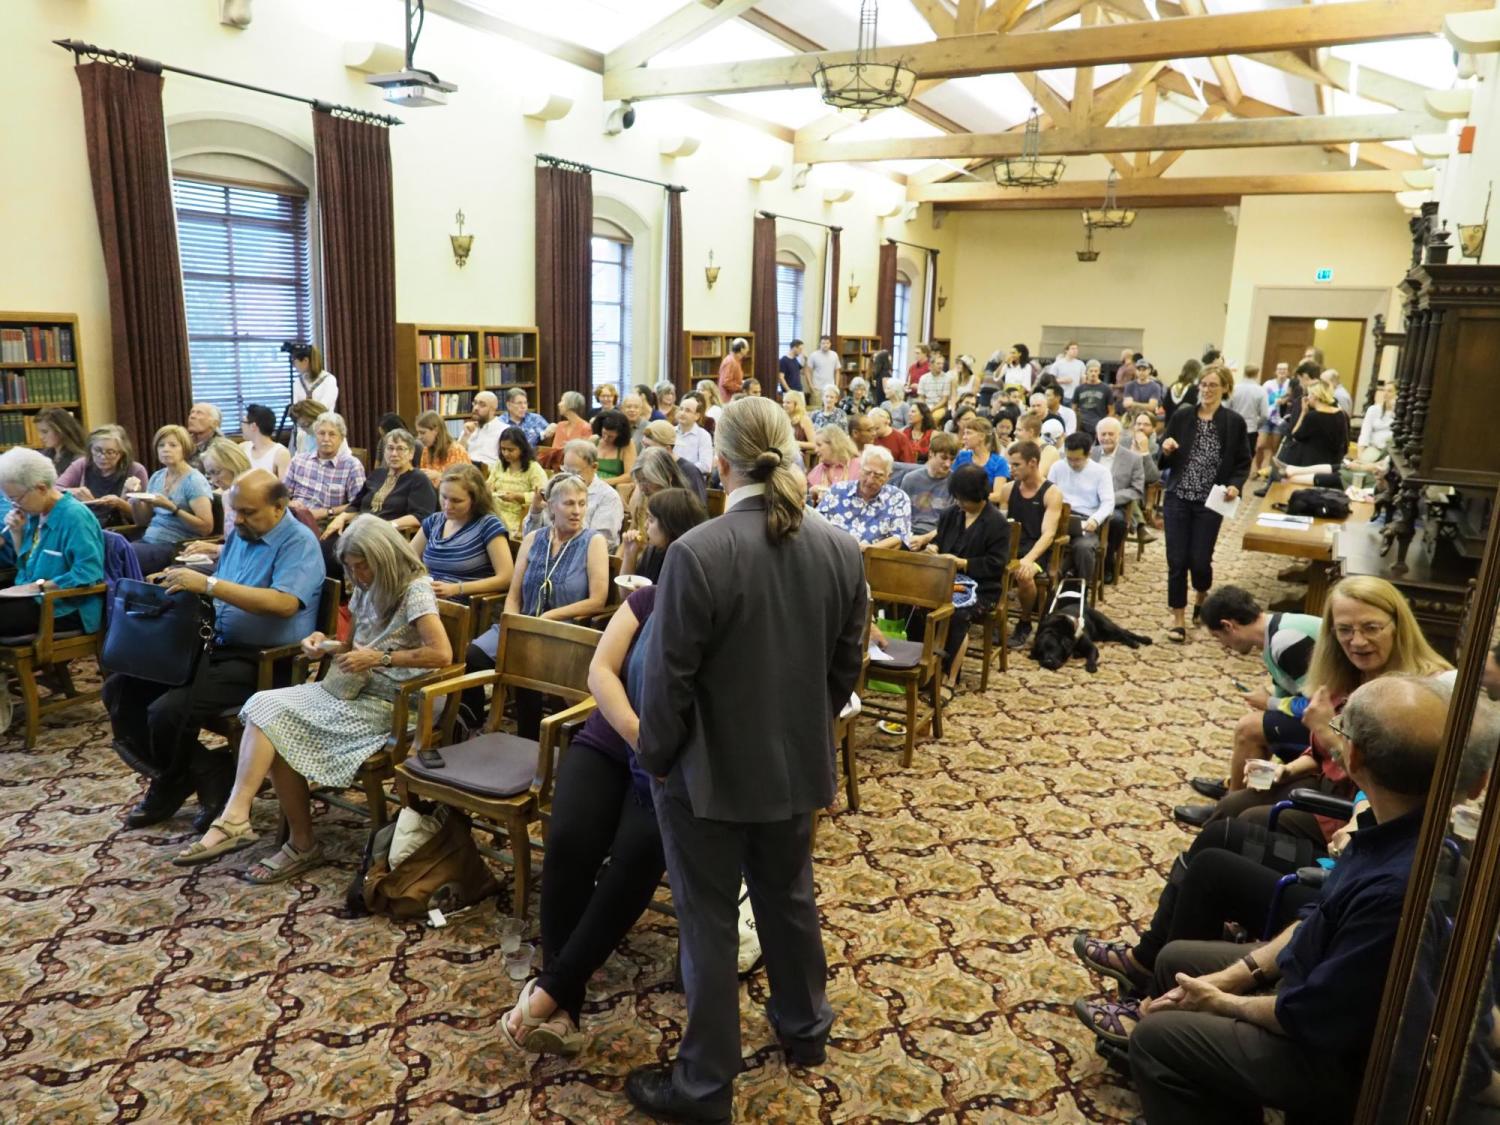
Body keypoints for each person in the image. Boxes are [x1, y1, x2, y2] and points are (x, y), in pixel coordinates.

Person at [626, 396, 866, 1122]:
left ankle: (703, 1086)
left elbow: (668, 681)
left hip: (705, 774)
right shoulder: (838, 545)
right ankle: (805, 1028)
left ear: (720, 463)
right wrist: (801, 725)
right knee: (788, 900)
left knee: (706, 921)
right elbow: (846, 666)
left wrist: (657, 759)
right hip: (796, 765)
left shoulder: (697, 551)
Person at [1126, 676, 1483, 1125]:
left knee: (1159, 1037)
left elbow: (1313, 1016)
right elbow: (1318, 916)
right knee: (1176, 959)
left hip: (1348, 1066)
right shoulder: (1395, 825)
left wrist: (1225, 1003)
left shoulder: (1397, 888)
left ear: (1352, 758)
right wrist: (1239, 975)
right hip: (1322, 998)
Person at [504, 487, 710, 1056]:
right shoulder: (645, 602)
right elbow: (601, 671)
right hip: (613, 741)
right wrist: (639, 734)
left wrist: (659, 750)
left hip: (671, 766)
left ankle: (552, 993)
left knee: (633, 860)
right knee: (569, 841)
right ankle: (563, 998)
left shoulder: (719, 617)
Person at [176, 516, 450, 878]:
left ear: (383, 558)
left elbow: (441, 654)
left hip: (394, 703)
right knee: (264, 708)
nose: (357, 576)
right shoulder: (367, 587)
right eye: (350, 568)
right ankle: (239, 816)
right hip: (353, 687)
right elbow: (355, 646)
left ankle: (293, 841)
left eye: (362, 566)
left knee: (276, 723)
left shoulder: (414, 589)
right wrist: (323, 644)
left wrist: (381, 658)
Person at [105, 470, 325, 832]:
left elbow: (285, 603)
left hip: (264, 661)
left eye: (247, 512)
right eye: (234, 510)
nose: (236, 519)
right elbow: (225, 578)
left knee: (166, 712)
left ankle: (178, 780)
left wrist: (209, 584)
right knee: (120, 690)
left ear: (279, 507)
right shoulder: (244, 531)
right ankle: (200, 772)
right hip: (212, 644)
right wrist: (178, 577)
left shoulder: (298, 543)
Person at [1179, 574, 1452, 834]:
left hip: (1360, 809)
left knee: (1244, 820)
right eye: (1344, 630)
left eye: (1371, 628)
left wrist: (1322, 730)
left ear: (1398, 626)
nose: (1356, 641)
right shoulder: (1345, 671)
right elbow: (1318, 752)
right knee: (1231, 807)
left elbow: (1385, 785)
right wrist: (1286, 769)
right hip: (1325, 780)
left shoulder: (1419, 694)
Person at [465, 474, 610, 736]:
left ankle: (531, 737)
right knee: (473, 654)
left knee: (528, 661)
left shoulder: (593, 541)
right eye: (568, 504)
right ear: (551, 505)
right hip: (524, 623)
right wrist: (512, 624)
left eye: (581, 503)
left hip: (565, 631)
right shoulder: (533, 538)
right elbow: (514, 594)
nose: (577, 511)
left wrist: (551, 616)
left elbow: (598, 599)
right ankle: (471, 723)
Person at [1190, 585, 1320, 796]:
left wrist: (1269, 703)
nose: (1223, 645)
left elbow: (1321, 706)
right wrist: (1272, 705)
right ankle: (1248, 788)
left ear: (1228, 626)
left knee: (1249, 729)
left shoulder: (1285, 641)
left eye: (1217, 637)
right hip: (1337, 718)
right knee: (1263, 724)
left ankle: (1231, 804)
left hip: (1345, 727)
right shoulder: (1274, 631)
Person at [1158, 365, 1249, 643]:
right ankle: (1178, 619)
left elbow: (1243, 461)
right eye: (1204, 385)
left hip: (1211, 501)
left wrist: (1235, 483)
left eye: (1213, 385)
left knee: (1199, 560)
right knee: (1176, 559)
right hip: (1178, 496)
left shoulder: (1233, 422)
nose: (1207, 390)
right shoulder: (1184, 415)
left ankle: (1201, 594)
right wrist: (1166, 448)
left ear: (1225, 389)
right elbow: (1165, 447)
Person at [908, 463, 1009, 687]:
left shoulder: (997, 523)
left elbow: (997, 564)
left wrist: (964, 563)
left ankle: (950, 677)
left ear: (980, 496)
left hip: (982, 587)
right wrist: (933, 547)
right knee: (915, 605)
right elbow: (939, 542)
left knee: (956, 615)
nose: (960, 504)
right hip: (947, 582)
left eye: (965, 500)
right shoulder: (950, 515)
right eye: (957, 499)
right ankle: (920, 665)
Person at [0, 448, 104, 638]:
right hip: (32, 599)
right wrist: (17, 533)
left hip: (65, 607)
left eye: (15, 499)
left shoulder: (74, 516)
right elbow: (27, 568)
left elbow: (89, 572)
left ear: (41, 488)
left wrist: (37, 587)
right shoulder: (33, 514)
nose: (14, 505)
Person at [320, 428, 437, 561]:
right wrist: (340, 518)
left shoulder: (418, 479)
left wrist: (388, 525)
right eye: (390, 448)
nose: (394, 453)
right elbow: (356, 505)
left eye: (400, 449)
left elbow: (420, 516)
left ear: (411, 453)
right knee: (323, 545)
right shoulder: (377, 474)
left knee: (344, 552)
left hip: (387, 536)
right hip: (360, 529)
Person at [410, 463, 512, 602]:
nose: (447, 506)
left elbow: (506, 578)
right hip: (429, 600)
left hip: (466, 607)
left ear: (474, 500)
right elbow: (406, 560)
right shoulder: (434, 521)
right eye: (444, 497)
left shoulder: (488, 525)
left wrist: (457, 588)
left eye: (456, 501)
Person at [997, 440, 1063, 650]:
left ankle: (1025, 621)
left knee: (1024, 574)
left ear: (1033, 462)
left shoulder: (1051, 493)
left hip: (1037, 549)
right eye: (1010, 464)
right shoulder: (1008, 489)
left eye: (1016, 465)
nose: (1011, 469)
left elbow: (1048, 534)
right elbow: (1003, 524)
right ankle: (995, 618)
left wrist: (1028, 559)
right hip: (1011, 545)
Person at [127, 424, 216, 574]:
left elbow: (206, 528)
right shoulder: (157, 476)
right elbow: (143, 521)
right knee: (112, 548)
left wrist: (173, 508)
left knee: (124, 555)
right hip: (149, 540)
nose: (165, 449)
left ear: (185, 449)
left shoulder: (193, 481)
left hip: (175, 546)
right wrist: (135, 498)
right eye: (161, 445)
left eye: (173, 445)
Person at [522, 439, 624, 551]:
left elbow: (603, 543)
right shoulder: (555, 488)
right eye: (565, 470)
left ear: (594, 467)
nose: (569, 477)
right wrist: (535, 512)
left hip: (583, 561)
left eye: (575, 473)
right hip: (545, 553)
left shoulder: (608, 497)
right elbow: (528, 538)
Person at [816, 444, 911, 551]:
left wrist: (868, 549)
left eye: (877, 475)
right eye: (867, 472)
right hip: (835, 553)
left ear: (888, 477)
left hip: (873, 559)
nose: (870, 480)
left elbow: (899, 538)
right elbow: (816, 523)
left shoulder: (898, 498)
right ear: (860, 469)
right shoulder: (837, 491)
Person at [1047, 432, 1114, 583]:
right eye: (1069, 458)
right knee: (1042, 541)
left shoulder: (1101, 472)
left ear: (1089, 453)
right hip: (1059, 516)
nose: (1072, 463)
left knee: (1083, 547)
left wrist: (1095, 520)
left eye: (1077, 459)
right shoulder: (1058, 467)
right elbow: (1048, 494)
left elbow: (1108, 503)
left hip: (1087, 520)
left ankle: (1082, 587)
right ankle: (1052, 581)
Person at [282, 412, 366, 527]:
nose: (326, 439)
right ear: (315, 436)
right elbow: (281, 496)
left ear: (341, 438)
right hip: (294, 520)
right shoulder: (298, 461)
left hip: (327, 523)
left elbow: (358, 505)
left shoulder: (352, 466)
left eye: (332, 434)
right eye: (321, 433)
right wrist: (290, 503)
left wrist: (327, 512)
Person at [1090, 417, 1145, 582]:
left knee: (1117, 522)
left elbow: (1136, 489)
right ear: (1097, 435)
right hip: (1088, 502)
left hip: (1115, 505)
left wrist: (1110, 498)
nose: (1106, 438)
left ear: (1119, 435)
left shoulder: (1133, 458)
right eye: (1103, 434)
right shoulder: (1090, 453)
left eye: (1111, 434)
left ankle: (1107, 560)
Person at [57, 425, 148, 519]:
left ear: (121, 453)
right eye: (97, 450)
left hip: (121, 528)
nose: (103, 457)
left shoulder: (135, 470)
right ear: (90, 449)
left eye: (110, 452)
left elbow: (144, 517)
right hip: (86, 522)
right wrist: (74, 492)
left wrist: (120, 504)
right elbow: (54, 489)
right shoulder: (82, 464)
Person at [1276, 380, 1350, 472]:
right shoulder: (1341, 414)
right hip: (1333, 461)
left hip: (1312, 462)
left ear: (1315, 396)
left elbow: (1295, 435)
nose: (1307, 397)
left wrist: (1303, 413)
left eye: (1309, 394)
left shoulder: (1312, 416)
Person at [487, 425, 549, 536]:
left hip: (519, 517)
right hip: (496, 512)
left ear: (522, 448)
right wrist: (489, 488)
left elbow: (543, 496)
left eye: (511, 450)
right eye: (503, 449)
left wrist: (518, 496)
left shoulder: (533, 468)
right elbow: (489, 484)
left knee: (496, 532)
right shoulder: (499, 464)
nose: (506, 453)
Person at [900, 431, 959, 535]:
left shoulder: (956, 482)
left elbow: (953, 524)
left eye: (952, 459)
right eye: (944, 458)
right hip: (910, 532)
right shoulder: (910, 479)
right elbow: (900, 514)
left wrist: (926, 538)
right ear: (931, 453)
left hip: (939, 534)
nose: (948, 464)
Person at [638, 421, 709, 503]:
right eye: (644, 446)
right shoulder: (649, 467)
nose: (645, 452)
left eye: (649, 447)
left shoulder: (689, 472)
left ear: (667, 449)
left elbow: (698, 509)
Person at [200, 438, 252, 538]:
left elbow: (252, 543)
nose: (214, 481)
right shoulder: (226, 496)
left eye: (216, 472)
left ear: (234, 465)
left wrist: (217, 549)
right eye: (210, 474)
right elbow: (229, 539)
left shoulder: (255, 494)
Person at [953, 415, 1011, 497]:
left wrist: (973, 500)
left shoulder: (999, 462)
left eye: (968, 433)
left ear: (982, 436)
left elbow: (998, 495)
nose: (964, 437)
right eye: (964, 433)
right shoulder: (961, 457)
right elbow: (952, 484)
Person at [805, 425, 861, 504]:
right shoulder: (816, 471)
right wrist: (812, 494)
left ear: (834, 444)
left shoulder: (858, 466)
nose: (816, 450)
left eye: (819, 445)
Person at [414, 409, 471, 483]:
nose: (419, 437)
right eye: (418, 433)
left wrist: (439, 476)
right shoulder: (426, 450)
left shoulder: (456, 450)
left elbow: (465, 480)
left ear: (436, 430)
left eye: (422, 432)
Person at [1226, 363, 1268, 459]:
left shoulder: (1234, 389)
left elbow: (1226, 408)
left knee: (1230, 457)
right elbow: (1265, 415)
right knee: (1246, 460)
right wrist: (1257, 425)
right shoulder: (1261, 391)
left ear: (1244, 373)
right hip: (1250, 429)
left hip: (1233, 428)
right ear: (1257, 374)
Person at [238, 404, 291, 478]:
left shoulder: (280, 453)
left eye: (243, 423)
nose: (241, 427)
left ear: (253, 426)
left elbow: (284, 487)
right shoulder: (243, 448)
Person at [33, 407, 87, 478]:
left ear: (61, 430)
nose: (40, 437)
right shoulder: (43, 456)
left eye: (45, 432)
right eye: (39, 431)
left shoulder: (79, 459)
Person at [457, 390, 505, 467]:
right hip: (466, 471)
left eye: (482, 405)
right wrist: (465, 436)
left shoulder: (503, 430)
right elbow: (457, 457)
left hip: (489, 473)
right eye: (475, 403)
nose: (476, 408)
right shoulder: (469, 428)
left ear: (493, 409)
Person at [592, 408, 636, 482]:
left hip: (612, 487)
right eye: (604, 433)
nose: (605, 438)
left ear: (620, 435)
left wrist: (604, 482)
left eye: (610, 437)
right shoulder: (593, 440)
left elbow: (629, 476)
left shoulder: (627, 445)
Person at [291, 343, 337, 411]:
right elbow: (295, 408)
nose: (294, 366)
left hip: (324, 420)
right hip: (302, 421)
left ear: (305, 361)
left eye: (295, 362)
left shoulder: (329, 380)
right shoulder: (297, 383)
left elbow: (323, 407)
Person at [674, 396, 714, 475]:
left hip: (691, 479)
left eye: (687, 411)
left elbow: (706, 466)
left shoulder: (703, 436)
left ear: (697, 416)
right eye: (681, 409)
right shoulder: (670, 431)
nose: (682, 413)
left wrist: (681, 470)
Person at [1072, 361, 1112, 437]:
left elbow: (1111, 411)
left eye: (1096, 371)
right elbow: (1074, 409)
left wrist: (1104, 426)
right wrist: (1076, 427)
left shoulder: (1106, 389)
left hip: (1099, 424)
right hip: (1082, 425)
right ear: (1086, 372)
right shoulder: (1079, 389)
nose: (1093, 373)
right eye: (1091, 371)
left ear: (1099, 372)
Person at [1359, 382, 1396, 460]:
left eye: (1389, 391)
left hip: (1390, 453)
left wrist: (1394, 408)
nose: (1385, 393)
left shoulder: (1399, 414)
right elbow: (1365, 433)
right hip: (1374, 449)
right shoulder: (1374, 409)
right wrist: (1360, 455)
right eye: (1384, 390)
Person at [918, 352, 957, 421]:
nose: (941, 366)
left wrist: (932, 409)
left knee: (934, 417)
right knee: (917, 416)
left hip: (939, 407)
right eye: (938, 363)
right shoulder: (923, 378)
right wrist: (924, 408)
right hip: (926, 405)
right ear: (931, 365)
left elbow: (944, 399)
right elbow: (921, 397)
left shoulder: (947, 378)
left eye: (942, 364)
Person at [185, 402, 223, 469]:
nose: (192, 416)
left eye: (199, 413)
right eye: (192, 412)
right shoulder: (184, 442)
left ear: (214, 423)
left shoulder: (220, 447)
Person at [782, 391, 819, 457]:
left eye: (788, 403)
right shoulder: (783, 418)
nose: (784, 405)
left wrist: (795, 444)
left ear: (796, 404)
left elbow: (814, 444)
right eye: (784, 402)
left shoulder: (804, 419)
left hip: (799, 455)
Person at [1164, 359, 1201, 423]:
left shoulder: (1173, 385)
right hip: (1186, 424)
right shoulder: (1194, 389)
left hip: (1170, 422)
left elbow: (1165, 405)